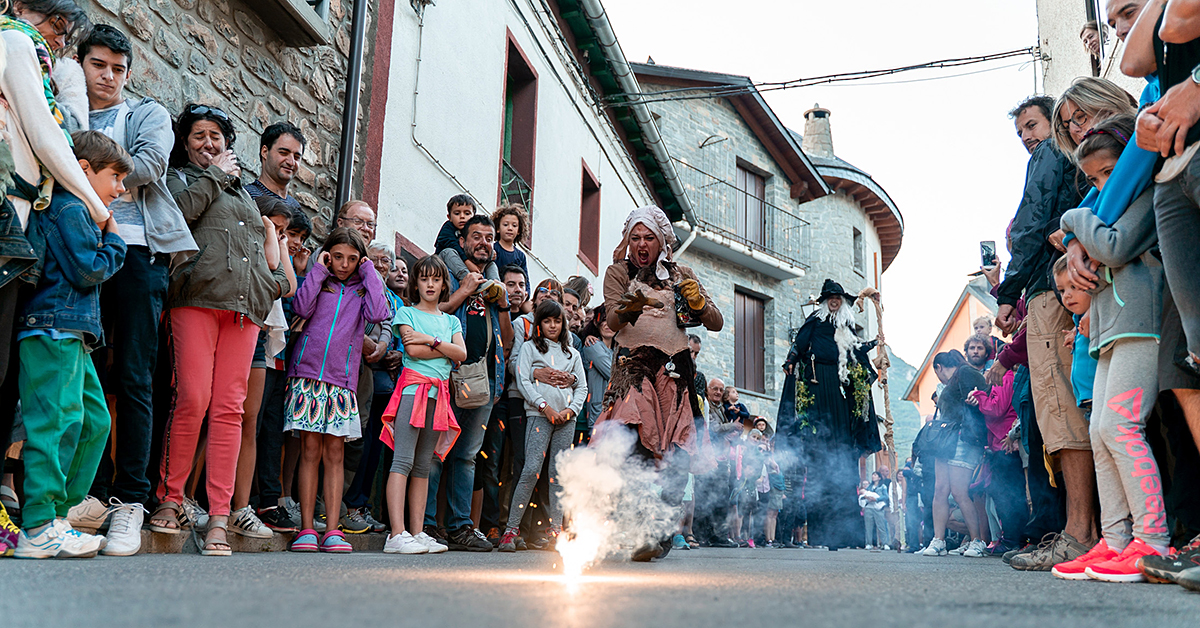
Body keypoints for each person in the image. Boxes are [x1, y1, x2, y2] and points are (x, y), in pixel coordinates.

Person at [68, 23, 198, 555]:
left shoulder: (143, 113)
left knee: (136, 376)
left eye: (118, 68)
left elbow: (148, 167)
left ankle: (130, 503)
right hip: (76, 243)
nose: (108, 77)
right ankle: (90, 494)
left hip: (138, 250)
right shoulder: (69, 105)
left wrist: (80, 159)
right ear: (82, 64)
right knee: (85, 369)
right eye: (98, 65)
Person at [148, 103, 291, 557]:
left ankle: (219, 516)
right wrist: (213, 176)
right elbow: (178, 216)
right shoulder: (181, 180)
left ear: (228, 143)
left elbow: (263, 249)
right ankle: (170, 499)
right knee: (191, 398)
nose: (209, 143)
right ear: (185, 144)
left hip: (245, 309)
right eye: (199, 136)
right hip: (195, 300)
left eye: (216, 137)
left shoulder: (246, 196)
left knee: (230, 410)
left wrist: (270, 287)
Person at [0, 1, 108, 513]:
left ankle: (49, 515)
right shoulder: (16, 41)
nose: (60, 39)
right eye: (57, 25)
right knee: (46, 408)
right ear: (22, 6)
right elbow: (47, 136)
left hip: (19, 227)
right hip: (9, 220)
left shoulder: (33, 51)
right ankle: (44, 518)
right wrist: (93, 203)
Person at [1052, 116, 1169, 582]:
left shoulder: (1143, 193)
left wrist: (1072, 220)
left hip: (1141, 323)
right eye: (1095, 180)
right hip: (1107, 329)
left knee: (1122, 427)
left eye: (1108, 173)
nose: (1103, 186)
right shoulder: (1106, 207)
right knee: (1100, 432)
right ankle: (1116, 540)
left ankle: (1153, 540)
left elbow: (1115, 248)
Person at [13, 131, 129, 559]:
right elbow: (88, 270)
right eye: (115, 176)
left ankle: (57, 517)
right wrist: (114, 239)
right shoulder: (70, 208)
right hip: (52, 330)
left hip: (72, 335)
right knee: (56, 425)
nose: (119, 189)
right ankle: (38, 524)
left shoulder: (79, 210)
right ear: (83, 170)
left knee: (95, 422)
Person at [996, 95, 1095, 571]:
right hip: (1054, 284)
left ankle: (1080, 534)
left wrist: (1008, 291)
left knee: (1059, 409)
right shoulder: (1068, 156)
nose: (1027, 138)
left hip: (1049, 290)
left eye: (1031, 125)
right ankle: (1083, 529)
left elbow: (1033, 221)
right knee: (1061, 412)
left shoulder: (1051, 152)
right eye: (1020, 133)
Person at [596, 205, 723, 561]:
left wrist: (697, 302)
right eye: (635, 237)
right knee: (632, 446)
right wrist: (631, 305)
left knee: (678, 456)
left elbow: (716, 322)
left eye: (648, 237)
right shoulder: (618, 272)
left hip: (676, 374)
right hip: (634, 371)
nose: (641, 244)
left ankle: (662, 528)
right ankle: (640, 530)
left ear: (663, 241)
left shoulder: (681, 273)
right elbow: (611, 318)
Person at [285, 228, 390, 554]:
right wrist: (318, 269)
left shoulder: (363, 288)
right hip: (306, 376)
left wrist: (369, 271)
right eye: (338, 257)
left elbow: (378, 314)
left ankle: (332, 530)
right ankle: (306, 529)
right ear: (328, 255)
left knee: (335, 455)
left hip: (342, 382)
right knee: (310, 452)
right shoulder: (321, 279)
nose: (344, 264)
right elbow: (300, 308)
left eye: (352, 259)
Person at [424, 215, 512, 552]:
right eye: (477, 236)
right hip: (447, 378)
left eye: (490, 238)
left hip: (484, 383)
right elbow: (435, 317)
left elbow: (506, 340)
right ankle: (428, 525)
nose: (484, 243)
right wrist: (465, 290)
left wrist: (501, 303)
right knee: (434, 453)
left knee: (467, 457)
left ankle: (460, 527)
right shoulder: (447, 277)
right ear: (462, 242)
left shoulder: (494, 285)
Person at [777, 279, 882, 550]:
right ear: (825, 300)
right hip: (817, 385)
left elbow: (855, 351)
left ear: (842, 300)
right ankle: (822, 536)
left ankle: (849, 536)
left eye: (838, 297)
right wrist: (790, 361)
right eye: (830, 297)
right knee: (819, 461)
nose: (834, 300)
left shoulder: (845, 325)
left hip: (840, 387)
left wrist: (875, 345)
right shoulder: (815, 320)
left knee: (844, 459)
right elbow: (798, 344)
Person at [381, 255, 464, 555]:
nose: (430, 284)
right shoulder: (405, 313)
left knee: (423, 465)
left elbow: (461, 354)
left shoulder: (451, 320)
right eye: (424, 278)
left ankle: (416, 532)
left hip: (438, 394)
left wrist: (431, 340)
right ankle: (396, 534)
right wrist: (443, 348)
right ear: (416, 283)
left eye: (436, 279)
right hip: (412, 391)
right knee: (402, 460)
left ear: (444, 285)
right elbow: (412, 351)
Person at [499, 300, 587, 551]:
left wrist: (571, 411)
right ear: (539, 324)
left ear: (563, 324)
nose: (552, 326)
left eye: (557, 321)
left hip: (565, 420)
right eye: (547, 321)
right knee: (530, 470)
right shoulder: (529, 348)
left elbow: (582, 387)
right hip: (539, 416)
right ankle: (511, 529)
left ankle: (556, 530)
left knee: (557, 476)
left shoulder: (573, 354)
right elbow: (524, 380)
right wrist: (543, 407)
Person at [921, 350, 988, 558]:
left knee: (959, 492)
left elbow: (981, 398)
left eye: (936, 373)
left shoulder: (966, 372)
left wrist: (974, 400)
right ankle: (938, 540)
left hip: (963, 438)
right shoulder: (954, 380)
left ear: (939, 367)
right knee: (940, 489)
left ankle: (977, 541)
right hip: (946, 440)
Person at [435, 194, 501, 287]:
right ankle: (467, 278)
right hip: (444, 261)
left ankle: (494, 285)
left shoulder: (471, 230)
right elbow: (452, 245)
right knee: (448, 251)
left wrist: (491, 253)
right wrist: (467, 262)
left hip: (463, 262)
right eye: (457, 213)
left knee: (490, 263)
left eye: (467, 213)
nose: (462, 217)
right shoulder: (448, 228)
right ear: (449, 217)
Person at [246, 122, 304, 212]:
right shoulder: (247, 197)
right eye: (283, 153)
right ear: (264, 152)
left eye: (297, 157)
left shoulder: (296, 208)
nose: (291, 162)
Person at [490, 202, 529, 280]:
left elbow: (525, 279)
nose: (510, 228)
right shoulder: (492, 249)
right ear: (497, 228)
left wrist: (526, 291)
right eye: (505, 224)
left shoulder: (521, 256)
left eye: (514, 225)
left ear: (519, 231)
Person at [860, 472, 889, 549]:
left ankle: (885, 543)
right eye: (873, 475)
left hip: (878, 508)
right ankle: (868, 543)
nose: (873, 476)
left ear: (879, 478)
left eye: (875, 475)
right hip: (869, 507)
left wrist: (876, 499)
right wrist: (867, 498)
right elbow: (864, 494)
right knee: (868, 526)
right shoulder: (869, 487)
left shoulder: (883, 486)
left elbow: (886, 497)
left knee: (881, 526)